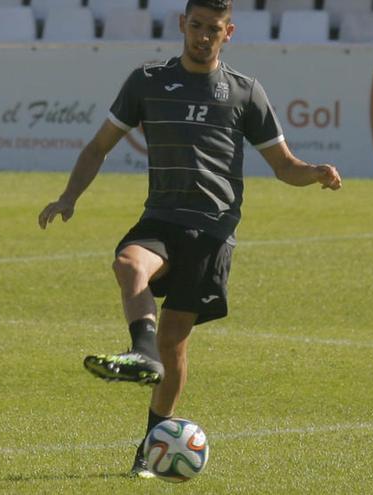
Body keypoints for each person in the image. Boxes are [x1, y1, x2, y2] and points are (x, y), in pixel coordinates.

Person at [37, 0, 341, 478]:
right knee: (127, 264)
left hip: (213, 228)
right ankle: (142, 351)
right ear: (181, 24)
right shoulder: (148, 81)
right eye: (195, 25)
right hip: (160, 216)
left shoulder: (244, 92)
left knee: (176, 341)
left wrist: (315, 173)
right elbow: (98, 146)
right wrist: (69, 196)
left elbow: (284, 166)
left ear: (229, 32)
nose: (202, 36)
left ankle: (152, 443)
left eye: (213, 29)